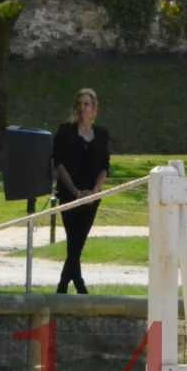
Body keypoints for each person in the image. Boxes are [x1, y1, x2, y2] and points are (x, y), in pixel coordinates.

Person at [52, 87, 111, 294]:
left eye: (87, 104)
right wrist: (76, 192)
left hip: (92, 198)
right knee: (73, 241)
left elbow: (105, 166)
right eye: (80, 104)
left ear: (94, 109)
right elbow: (59, 165)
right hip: (70, 195)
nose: (82, 108)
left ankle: (67, 285)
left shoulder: (102, 135)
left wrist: (95, 191)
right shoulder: (65, 131)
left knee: (78, 242)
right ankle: (75, 285)